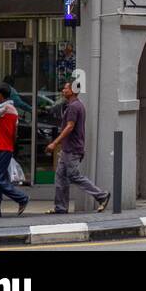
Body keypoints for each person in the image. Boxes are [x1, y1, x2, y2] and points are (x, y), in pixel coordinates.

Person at [44, 80, 111, 214]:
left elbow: (70, 127)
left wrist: (54, 143)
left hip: (72, 149)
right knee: (60, 177)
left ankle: (101, 195)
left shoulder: (74, 107)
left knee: (73, 175)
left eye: (66, 89)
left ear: (73, 91)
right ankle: (61, 208)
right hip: (68, 148)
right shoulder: (74, 105)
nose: (63, 91)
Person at [0, 83, 28, 217]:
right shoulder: (12, 108)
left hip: (2, 148)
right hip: (4, 147)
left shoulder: (4, 107)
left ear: (0, 95)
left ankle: (21, 198)